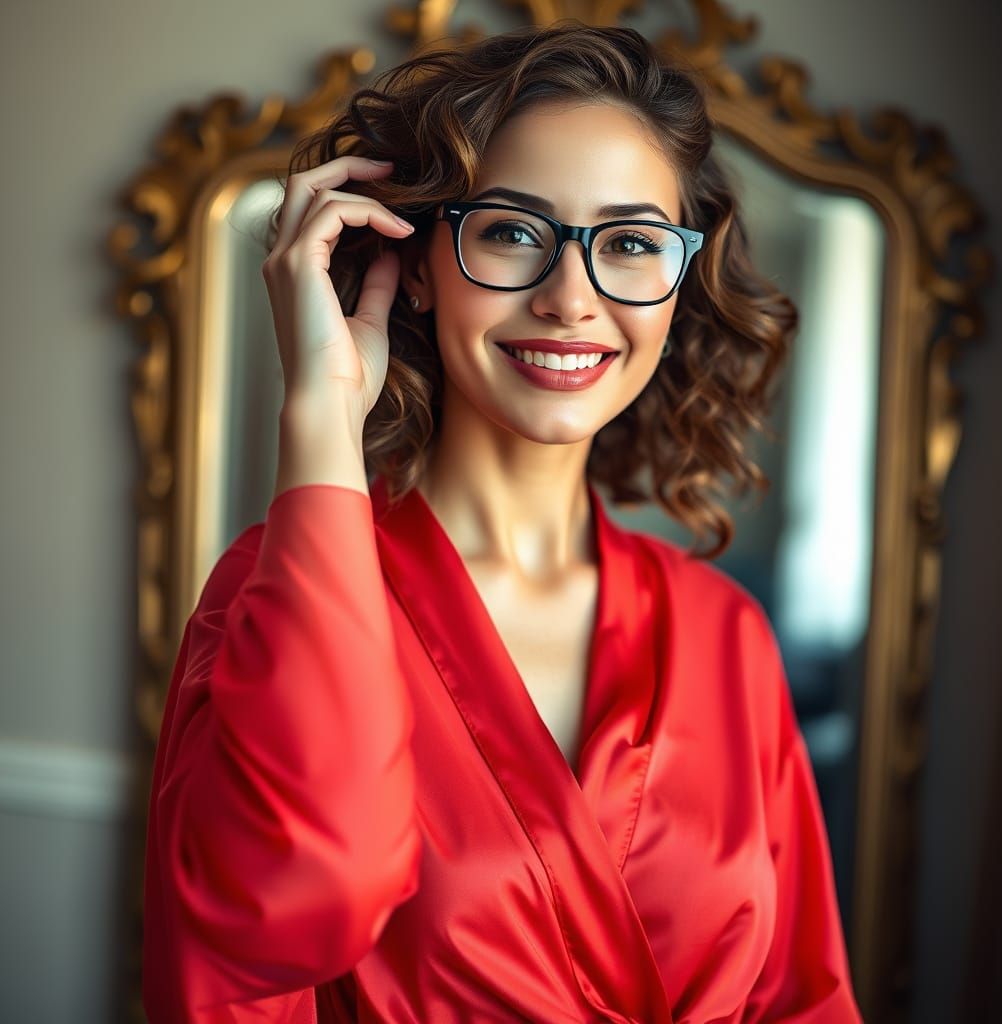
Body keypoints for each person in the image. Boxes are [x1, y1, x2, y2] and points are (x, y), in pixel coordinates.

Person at [141, 21, 862, 1023]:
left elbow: (804, 998)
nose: (571, 298)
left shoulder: (724, 633)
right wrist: (319, 415)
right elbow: (289, 910)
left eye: (630, 244)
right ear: (422, 263)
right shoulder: (273, 593)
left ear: (677, 281)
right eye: (514, 232)